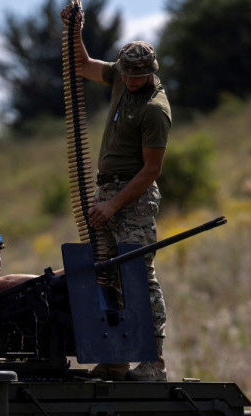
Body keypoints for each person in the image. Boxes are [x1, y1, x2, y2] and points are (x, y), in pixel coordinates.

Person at [61, 5, 172, 382]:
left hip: (133, 197)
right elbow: (81, 63)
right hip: (107, 190)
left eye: (138, 75)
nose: (131, 80)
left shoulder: (154, 109)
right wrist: (76, 27)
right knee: (105, 273)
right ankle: (115, 357)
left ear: (151, 71)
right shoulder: (123, 78)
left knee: (137, 274)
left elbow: (152, 170)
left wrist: (112, 205)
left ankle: (153, 361)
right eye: (126, 73)